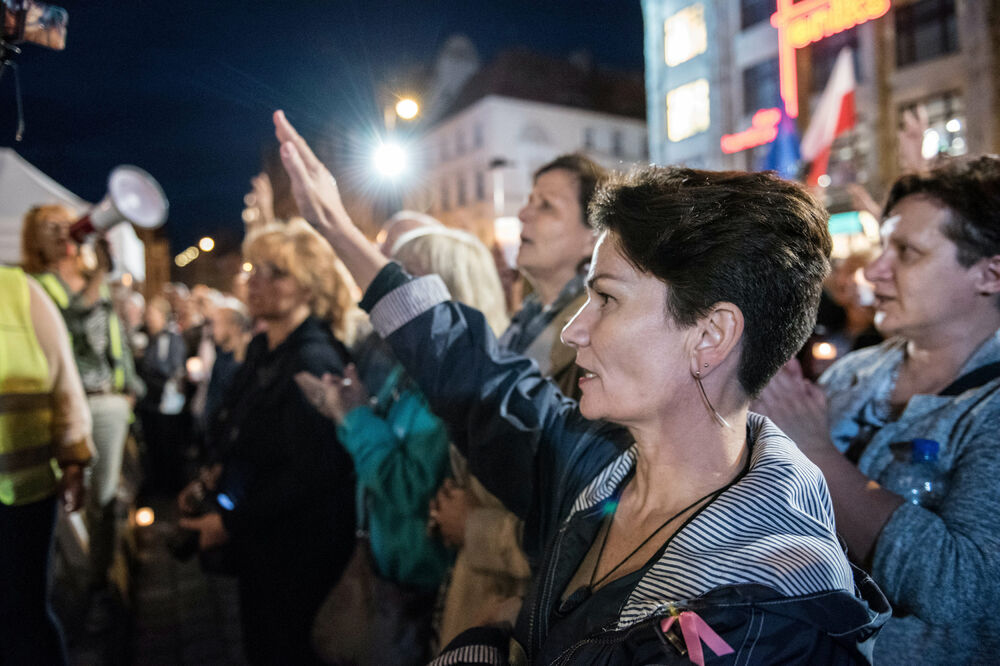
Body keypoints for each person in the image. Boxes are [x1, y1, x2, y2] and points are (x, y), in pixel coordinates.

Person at [274, 110, 888, 664]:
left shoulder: (759, 614)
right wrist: (338, 230)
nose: (573, 330)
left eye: (607, 299)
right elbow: (475, 374)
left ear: (711, 335)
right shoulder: (599, 470)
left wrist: (480, 647)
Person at [756, 155, 1000, 664]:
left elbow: (962, 588)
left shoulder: (988, 408)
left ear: (989, 273)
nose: (874, 270)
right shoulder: (855, 372)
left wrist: (816, 454)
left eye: (907, 252)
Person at [297, 225, 508, 663]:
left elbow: (411, 488)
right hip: (390, 569)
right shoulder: (410, 367)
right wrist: (349, 409)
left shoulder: (456, 383)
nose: (387, 292)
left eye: (405, 278)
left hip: (425, 586)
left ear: (448, 292)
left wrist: (353, 416)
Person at [178, 220, 357, 665]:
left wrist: (230, 523)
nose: (256, 280)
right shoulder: (266, 349)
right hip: (262, 544)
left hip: (297, 553)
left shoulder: (313, 358)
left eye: (276, 273)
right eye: (254, 268)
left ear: (309, 287)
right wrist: (213, 475)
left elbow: (312, 472)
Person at [20, 204, 143, 605]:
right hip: (65, 407)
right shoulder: (35, 285)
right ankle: (69, 582)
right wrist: (99, 277)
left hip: (107, 404)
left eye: (65, 224)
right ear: (34, 239)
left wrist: (127, 386)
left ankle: (97, 583)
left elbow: (114, 336)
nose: (62, 232)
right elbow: (72, 325)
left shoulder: (95, 280)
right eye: (49, 227)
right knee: (69, 499)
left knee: (102, 500)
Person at [0, 266, 94, 665]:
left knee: (22, 615)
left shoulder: (19, 292)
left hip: (22, 497)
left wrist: (74, 459)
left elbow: (65, 384)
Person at [501, 154, 606, 399]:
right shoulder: (527, 316)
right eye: (529, 202)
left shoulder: (596, 337)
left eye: (546, 205)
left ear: (592, 238)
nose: (523, 214)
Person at [135, 295, 187, 493]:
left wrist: (145, 367)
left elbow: (170, 367)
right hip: (149, 401)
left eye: (152, 314)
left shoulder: (170, 338)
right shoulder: (146, 337)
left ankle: (169, 487)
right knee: (152, 444)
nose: (149, 318)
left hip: (166, 402)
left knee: (167, 445)